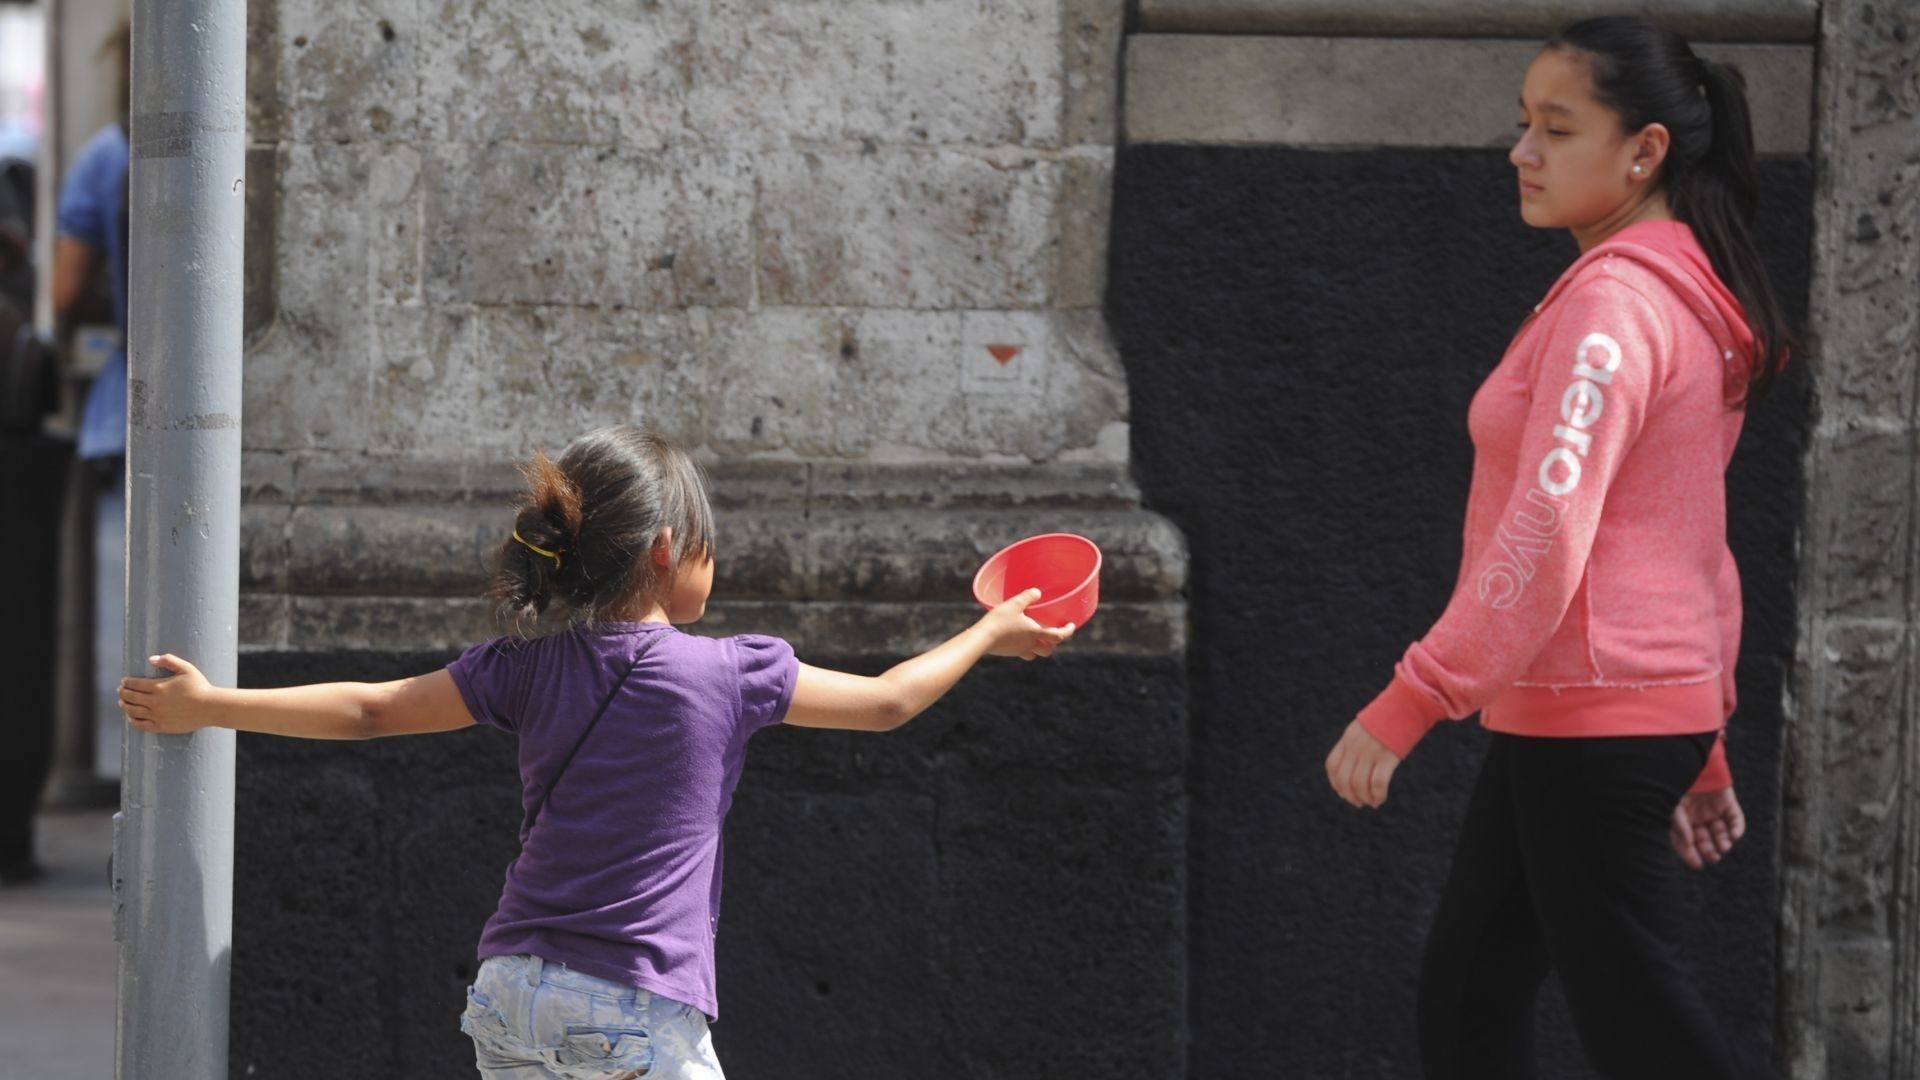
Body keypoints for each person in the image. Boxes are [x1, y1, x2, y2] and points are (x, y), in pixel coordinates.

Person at [119, 426, 1075, 1079]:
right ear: (666, 548)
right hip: (633, 1010)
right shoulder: (733, 672)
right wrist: (991, 631)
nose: (714, 561)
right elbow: (889, 702)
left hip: (510, 995)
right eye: (708, 543)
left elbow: (368, 710)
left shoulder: (525, 667)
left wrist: (206, 705)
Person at [1322, 16, 1790, 1080]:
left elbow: (1547, 531)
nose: (1521, 151)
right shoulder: (1676, 295)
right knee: (1473, 992)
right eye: (1523, 123)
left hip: (1595, 715)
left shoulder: (1617, 308)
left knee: (1637, 1021)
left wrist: (1412, 699)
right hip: (1607, 711)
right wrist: (1703, 740)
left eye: (1557, 128)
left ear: (1645, 152)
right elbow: (1695, 551)